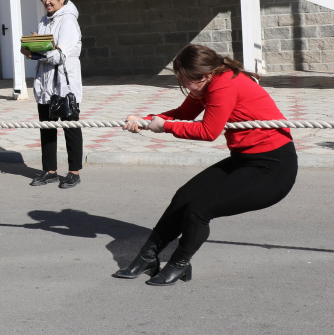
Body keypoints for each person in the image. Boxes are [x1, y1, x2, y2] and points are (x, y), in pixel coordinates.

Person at [117, 44, 297, 286]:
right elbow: (184, 114)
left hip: (273, 167)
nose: (185, 87)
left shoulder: (224, 84)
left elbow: (208, 131)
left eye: (186, 81)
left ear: (205, 75)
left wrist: (164, 127)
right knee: (184, 197)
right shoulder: (207, 82)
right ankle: (148, 257)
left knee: (199, 210)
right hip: (244, 159)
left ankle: (179, 264)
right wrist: (146, 120)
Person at [21, 0, 83, 189]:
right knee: (46, 127)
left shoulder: (68, 21)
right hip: (45, 83)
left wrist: (40, 49)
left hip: (64, 84)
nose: (47, 2)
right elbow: (47, 50)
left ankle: (74, 172)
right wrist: (30, 51)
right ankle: (50, 171)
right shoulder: (44, 20)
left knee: (70, 126)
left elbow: (61, 54)